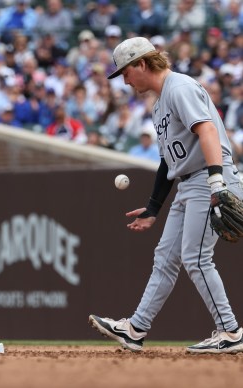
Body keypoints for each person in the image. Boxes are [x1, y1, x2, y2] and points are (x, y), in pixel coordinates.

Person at [88, 37, 243, 354]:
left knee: (196, 258)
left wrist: (216, 182)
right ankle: (136, 328)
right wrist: (153, 208)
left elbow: (208, 131)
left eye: (126, 73)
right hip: (188, 182)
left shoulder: (179, 87)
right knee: (166, 259)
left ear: (141, 64)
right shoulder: (160, 103)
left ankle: (230, 331)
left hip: (209, 176)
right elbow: (167, 161)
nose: (125, 81)